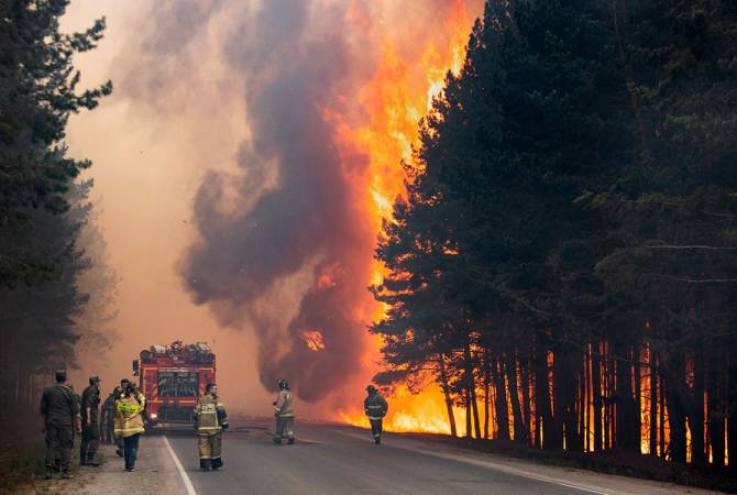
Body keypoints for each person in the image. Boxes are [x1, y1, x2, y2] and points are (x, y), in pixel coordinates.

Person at [40, 369, 80, 479]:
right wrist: (76, 425)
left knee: (51, 445)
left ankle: (48, 471)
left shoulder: (48, 391)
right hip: (65, 423)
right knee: (65, 446)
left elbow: (43, 409)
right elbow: (75, 410)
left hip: (51, 421)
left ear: (56, 378)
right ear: (65, 379)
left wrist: (45, 422)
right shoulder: (70, 392)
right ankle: (65, 471)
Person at [194, 383, 229, 472]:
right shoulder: (216, 399)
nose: (216, 390)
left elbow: (195, 413)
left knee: (203, 447)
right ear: (209, 389)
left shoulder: (200, 399)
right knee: (215, 447)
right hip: (215, 429)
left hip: (202, 429)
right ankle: (215, 464)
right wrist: (224, 424)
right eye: (215, 389)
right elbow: (221, 412)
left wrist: (198, 424)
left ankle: (205, 465)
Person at [114, 382, 145, 472]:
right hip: (136, 426)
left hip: (126, 427)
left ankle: (127, 466)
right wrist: (138, 394)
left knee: (127, 447)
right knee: (133, 447)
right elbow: (143, 404)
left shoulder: (121, 401)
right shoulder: (137, 401)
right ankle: (131, 466)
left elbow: (118, 412)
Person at [80, 375, 102, 466]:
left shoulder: (87, 389)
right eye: (99, 381)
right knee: (95, 437)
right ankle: (90, 458)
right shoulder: (93, 390)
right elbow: (88, 405)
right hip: (91, 418)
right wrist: (89, 418)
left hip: (85, 417)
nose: (100, 383)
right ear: (95, 382)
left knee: (85, 438)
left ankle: (82, 460)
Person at [272, 379, 295, 445]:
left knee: (280, 427)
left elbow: (281, 404)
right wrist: (277, 402)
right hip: (290, 414)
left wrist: (277, 412)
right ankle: (291, 438)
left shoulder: (281, 394)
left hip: (282, 415)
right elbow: (287, 402)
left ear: (281, 386)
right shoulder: (290, 393)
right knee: (289, 428)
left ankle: (278, 439)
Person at [112, 378, 130, 456]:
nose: (125, 387)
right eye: (124, 385)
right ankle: (122, 449)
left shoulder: (130, 392)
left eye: (126, 385)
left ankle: (125, 450)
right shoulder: (119, 391)